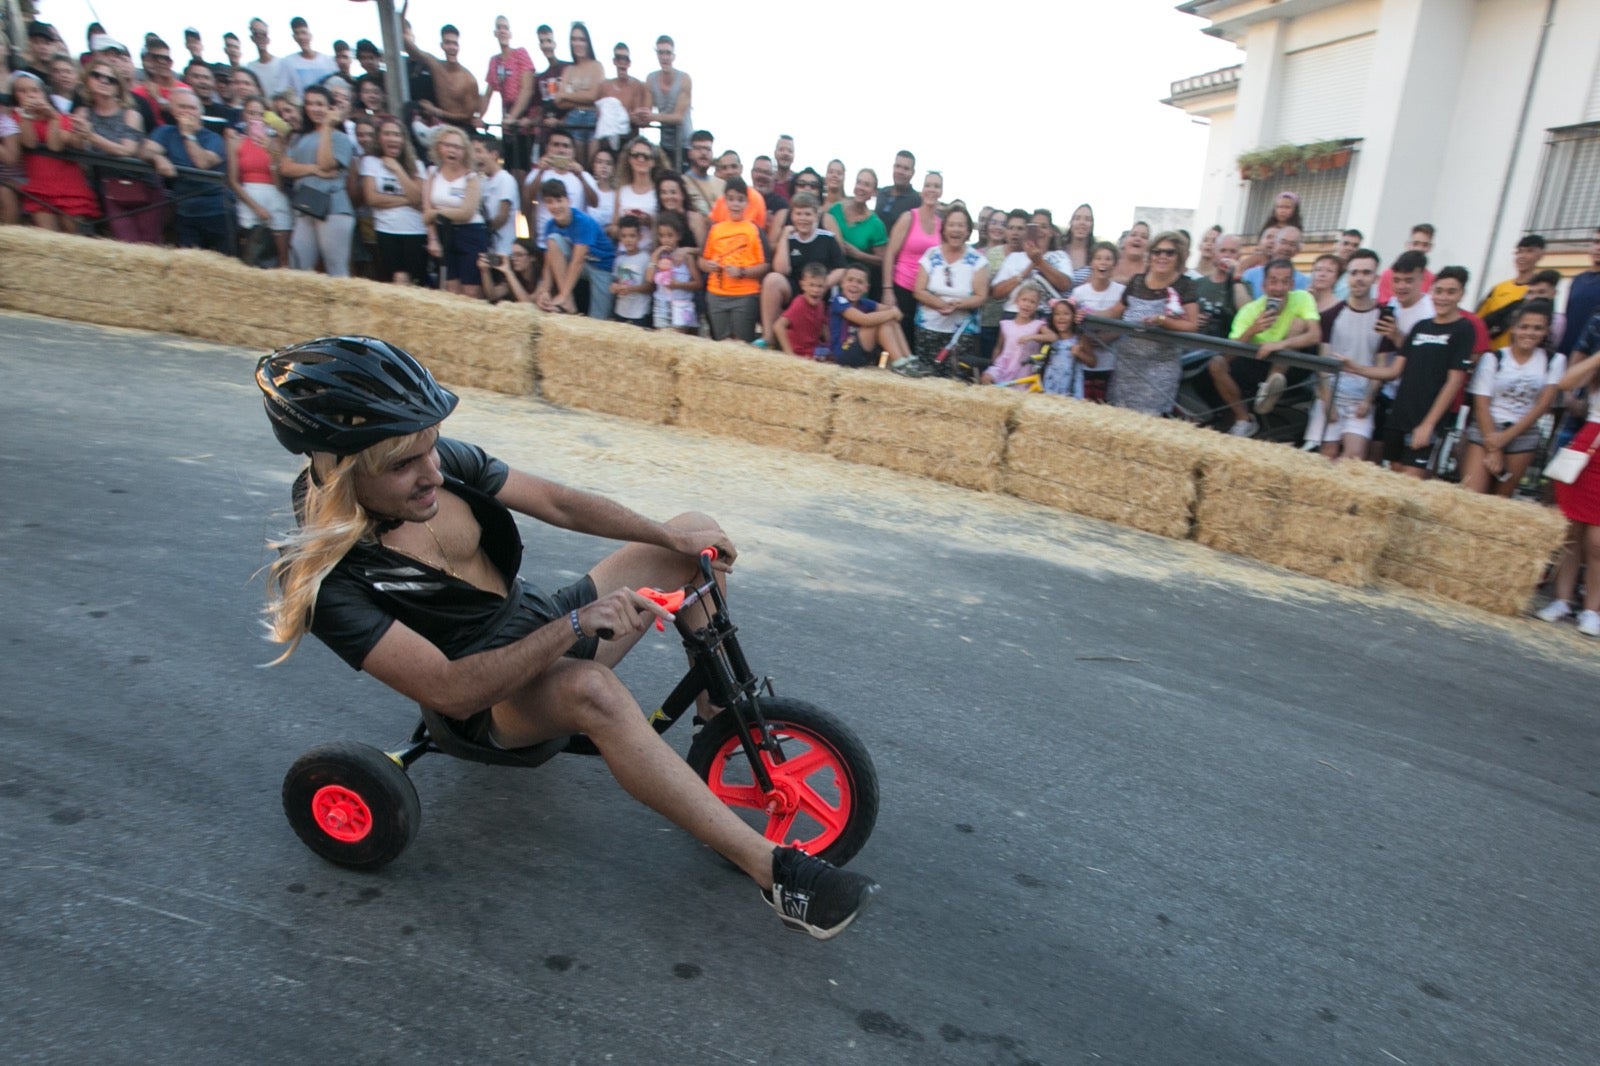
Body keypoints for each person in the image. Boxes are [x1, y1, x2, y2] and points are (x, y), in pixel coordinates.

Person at [255, 338, 880, 936]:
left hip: (541, 621)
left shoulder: (429, 465)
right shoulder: (325, 583)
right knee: (593, 690)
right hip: (488, 704)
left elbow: (558, 502)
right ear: (339, 470)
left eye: (432, 449)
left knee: (695, 531)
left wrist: (669, 538)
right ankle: (776, 875)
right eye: (404, 465)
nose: (434, 474)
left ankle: (714, 720)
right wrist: (578, 625)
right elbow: (451, 693)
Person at [1340, 267, 1477, 479]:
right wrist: (1357, 368)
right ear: (1431, 291)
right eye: (1439, 291)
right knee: (1395, 478)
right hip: (1400, 414)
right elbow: (1394, 371)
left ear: (1461, 294)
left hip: (1426, 419)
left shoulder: (1463, 329)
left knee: (1411, 482)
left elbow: (1454, 381)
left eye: (1451, 292)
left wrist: (1428, 425)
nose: (1443, 297)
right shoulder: (1420, 327)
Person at [1459, 299, 1564, 495]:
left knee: (1501, 501)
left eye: (1537, 328)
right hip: (1487, 429)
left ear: (1546, 331)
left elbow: (1543, 404)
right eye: (1524, 327)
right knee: (1471, 495)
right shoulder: (1494, 358)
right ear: (1514, 329)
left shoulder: (1554, 361)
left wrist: (1506, 437)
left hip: (1523, 432)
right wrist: (1494, 447)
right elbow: (1481, 404)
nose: (1530, 333)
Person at [1538, 313, 1600, 636]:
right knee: (1571, 529)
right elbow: (1566, 382)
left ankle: (1593, 609)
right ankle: (1561, 601)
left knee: (1597, 540)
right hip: (1590, 442)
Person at [1213, 258, 1321, 437]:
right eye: (1273, 281)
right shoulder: (1250, 310)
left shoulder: (1303, 298)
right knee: (1216, 363)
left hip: (1292, 363)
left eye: (1285, 281)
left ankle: (1271, 385)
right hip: (1256, 361)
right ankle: (1243, 419)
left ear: (1292, 284)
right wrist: (1253, 329)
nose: (1278, 288)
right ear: (1263, 285)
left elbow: (1315, 335)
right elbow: (1228, 355)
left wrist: (1279, 345)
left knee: (1299, 322)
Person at [1105, 231, 1199, 416]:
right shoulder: (1137, 281)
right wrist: (1084, 312)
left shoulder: (1185, 285)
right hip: (1127, 363)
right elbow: (1114, 312)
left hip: (1161, 365)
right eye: (1157, 251)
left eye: (1169, 252)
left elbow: (1192, 325)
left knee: (1149, 421)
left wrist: (1164, 321)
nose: (1162, 256)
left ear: (1178, 256)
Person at [74, 58, 165, 245]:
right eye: (97, 75)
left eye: (111, 79)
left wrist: (91, 136)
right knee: (125, 244)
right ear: (87, 80)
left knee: (149, 245)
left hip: (144, 185)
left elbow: (127, 150)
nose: (104, 81)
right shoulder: (83, 113)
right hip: (110, 187)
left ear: (118, 87)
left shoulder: (131, 114)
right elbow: (74, 145)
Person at [1306, 249, 1383, 461]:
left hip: (1361, 400)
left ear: (1375, 277)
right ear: (1347, 276)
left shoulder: (1384, 317)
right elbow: (1322, 363)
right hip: (1330, 396)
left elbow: (1382, 363)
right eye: (1354, 272)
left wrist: (1368, 400)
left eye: (1366, 273)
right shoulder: (1331, 315)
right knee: (1326, 455)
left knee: (1354, 458)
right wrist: (1328, 402)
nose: (1359, 278)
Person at [900, 205, 989, 378]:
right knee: (926, 379)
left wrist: (957, 304)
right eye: (952, 225)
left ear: (968, 230)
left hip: (962, 333)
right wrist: (939, 303)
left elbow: (981, 296)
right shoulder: (931, 255)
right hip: (928, 328)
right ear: (944, 228)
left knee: (957, 382)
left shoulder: (978, 260)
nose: (956, 229)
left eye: (961, 225)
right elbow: (918, 290)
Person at [281, 84, 356, 277]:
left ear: (330, 108)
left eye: (320, 104)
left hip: (333, 205)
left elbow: (326, 164)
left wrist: (327, 128)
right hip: (306, 204)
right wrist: (313, 169)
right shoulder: (298, 137)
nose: (314, 108)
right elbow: (286, 168)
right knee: (297, 265)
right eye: (309, 104)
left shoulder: (340, 138)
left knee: (336, 267)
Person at [12, 73, 98, 231]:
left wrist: (53, 118)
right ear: (15, 95)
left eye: (35, 90)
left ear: (43, 93)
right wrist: (26, 116)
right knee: (47, 239)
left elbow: (55, 146)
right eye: (22, 91)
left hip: (69, 184)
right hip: (39, 185)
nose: (30, 94)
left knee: (72, 237)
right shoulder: (14, 118)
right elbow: (29, 143)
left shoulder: (62, 117)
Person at [151, 87, 231, 253]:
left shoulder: (212, 138)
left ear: (200, 112)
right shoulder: (166, 132)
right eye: (182, 107)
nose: (187, 112)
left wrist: (188, 135)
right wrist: (157, 158)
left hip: (216, 211)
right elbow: (145, 149)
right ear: (173, 110)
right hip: (184, 212)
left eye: (192, 108)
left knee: (224, 262)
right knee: (189, 265)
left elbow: (202, 163)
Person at [758, 191, 844, 345]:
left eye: (807, 214)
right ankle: (768, 337)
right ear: (792, 216)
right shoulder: (789, 239)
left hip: (820, 290)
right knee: (772, 279)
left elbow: (841, 268)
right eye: (798, 214)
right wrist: (784, 237)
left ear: (815, 216)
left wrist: (822, 285)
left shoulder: (827, 238)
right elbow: (781, 270)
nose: (803, 218)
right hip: (795, 288)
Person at [535, 178, 615, 319]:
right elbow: (548, 263)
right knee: (553, 240)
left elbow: (577, 262)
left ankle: (565, 296)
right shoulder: (550, 225)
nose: (555, 206)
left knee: (599, 320)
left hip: (602, 265)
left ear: (568, 200)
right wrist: (545, 290)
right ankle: (568, 302)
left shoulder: (582, 221)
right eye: (549, 202)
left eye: (559, 200)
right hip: (582, 264)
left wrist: (562, 294)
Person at [361, 115, 427, 285]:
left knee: (416, 282)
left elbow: (419, 198)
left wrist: (398, 169)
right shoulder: (370, 162)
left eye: (397, 135)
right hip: (386, 230)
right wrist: (407, 200)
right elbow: (372, 198)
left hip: (415, 231)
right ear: (379, 138)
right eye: (387, 134)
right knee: (395, 280)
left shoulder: (417, 165)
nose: (393, 138)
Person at [699, 177, 767, 341]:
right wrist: (708, 265)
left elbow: (765, 265)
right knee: (722, 343)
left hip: (745, 295)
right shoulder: (715, 229)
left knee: (742, 343)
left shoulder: (754, 230)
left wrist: (742, 272)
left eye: (740, 200)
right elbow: (702, 260)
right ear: (724, 201)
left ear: (747, 203)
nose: (735, 204)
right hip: (716, 294)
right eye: (731, 199)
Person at [423, 126, 486, 299]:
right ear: (439, 147)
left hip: (470, 232)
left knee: (471, 290)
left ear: (464, 151)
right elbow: (426, 209)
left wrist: (437, 213)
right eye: (448, 145)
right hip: (444, 234)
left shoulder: (471, 177)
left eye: (457, 147)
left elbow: (466, 212)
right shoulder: (432, 173)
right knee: (451, 287)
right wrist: (432, 239)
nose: (452, 150)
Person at [882, 172, 945, 330]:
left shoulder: (941, 225)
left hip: (926, 294)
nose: (931, 189)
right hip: (902, 287)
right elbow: (890, 254)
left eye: (936, 186)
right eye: (928, 185)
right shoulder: (909, 217)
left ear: (941, 192)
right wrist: (887, 289)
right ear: (922, 190)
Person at [521, 130, 600, 252]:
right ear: (548, 148)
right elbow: (526, 200)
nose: (561, 150)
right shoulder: (537, 173)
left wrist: (580, 175)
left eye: (566, 146)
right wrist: (540, 171)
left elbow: (595, 203)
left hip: (575, 243)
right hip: (544, 241)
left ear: (573, 152)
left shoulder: (583, 175)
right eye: (556, 145)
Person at [822, 263, 911, 368]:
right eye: (850, 280)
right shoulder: (839, 301)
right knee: (879, 322)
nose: (854, 285)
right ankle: (899, 363)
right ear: (842, 283)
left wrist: (894, 311)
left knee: (889, 320)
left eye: (859, 282)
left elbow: (890, 310)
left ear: (866, 288)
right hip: (843, 353)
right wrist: (893, 312)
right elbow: (865, 320)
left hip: (861, 353)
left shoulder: (864, 302)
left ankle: (908, 358)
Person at [1070, 241, 1126, 403]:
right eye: (1098, 258)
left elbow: (1124, 323)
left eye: (1108, 259)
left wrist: (1104, 339)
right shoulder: (1079, 292)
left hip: (1110, 360)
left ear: (1115, 264)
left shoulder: (1121, 291)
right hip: (1084, 359)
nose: (1103, 262)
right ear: (1091, 263)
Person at [482, 17, 536, 178]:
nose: (502, 31)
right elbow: (488, 94)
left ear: (510, 32)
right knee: (510, 167)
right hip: (507, 114)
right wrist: (479, 116)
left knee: (524, 169)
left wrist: (513, 117)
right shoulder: (494, 61)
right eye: (499, 27)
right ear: (495, 32)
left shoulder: (520, 54)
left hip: (524, 114)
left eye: (505, 27)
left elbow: (527, 89)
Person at [823, 169, 889, 295]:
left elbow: (882, 260)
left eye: (867, 185)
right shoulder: (835, 209)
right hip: (830, 280)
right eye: (859, 182)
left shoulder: (876, 224)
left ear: (874, 192)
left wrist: (859, 255)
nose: (861, 188)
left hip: (855, 287)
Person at [1476, 234, 1547, 350]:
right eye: (1519, 252)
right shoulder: (1499, 288)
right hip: (1490, 354)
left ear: (1541, 255)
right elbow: (1478, 322)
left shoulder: (1539, 291)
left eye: (1529, 251)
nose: (1522, 256)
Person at [553, 23, 604, 159]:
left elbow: (593, 96)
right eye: (574, 39)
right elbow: (559, 102)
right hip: (573, 118)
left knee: (593, 163)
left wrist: (566, 94)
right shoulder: (569, 70)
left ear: (587, 42)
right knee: (576, 163)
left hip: (593, 118)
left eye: (581, 39)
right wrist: (581, 99)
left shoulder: (596, 66)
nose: (577, 43)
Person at [983, 282, 1049, 387]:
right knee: (987, 378)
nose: (1027, 304)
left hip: (1023, 369)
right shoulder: (1006, 324)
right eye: (1024, 300)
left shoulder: (1038, 325)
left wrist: (1031, 337)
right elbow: (999, 347)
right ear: (1016, 301)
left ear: (1037, 306)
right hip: (1003, 365)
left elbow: (1052, 337)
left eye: (1032, 302)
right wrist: (993, 363)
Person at [641, 37, 691, 166]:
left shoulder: (684, 79)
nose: (664, 57)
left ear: (673, 56)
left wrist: (653, 116)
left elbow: (678, 118)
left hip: (685, 142)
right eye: (661, 53)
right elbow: (647, 114)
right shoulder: (651, 79)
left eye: (667, 53)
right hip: (665, 143)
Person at [651, 210, 701, 333]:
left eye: (670, 235)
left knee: (678, 339)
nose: (666, 240)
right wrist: (654, 257)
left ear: (678, 236)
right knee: (660, 338)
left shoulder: (686, 257)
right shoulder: (657, 256)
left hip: (682, 304)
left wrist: (678, 284)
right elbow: (648, 278)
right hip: (661, 304)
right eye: (662, 236)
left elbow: (698, 283)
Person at [608, 136, 659, 249]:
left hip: (649, 253)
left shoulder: (659, 191)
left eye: (646, 156)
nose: (641, 160)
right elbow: (613, 229)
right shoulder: (621, 191)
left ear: (653, 162)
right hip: (624, 253)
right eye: (636, 156)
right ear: (629, 160)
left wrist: (649, 221)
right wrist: (625, 224)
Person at [1037, 298, 1093, 398]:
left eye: (1066, 314)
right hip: (1050, 383)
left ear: (1074, 316)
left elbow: (1093, 362)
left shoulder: (1080, 338)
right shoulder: (1050, 338)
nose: (1061, 317)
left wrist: (1080, 353)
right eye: (1057, 314)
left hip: (1071, 386)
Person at [474, 135, 519, 257]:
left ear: (493, 154)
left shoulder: (505, 179)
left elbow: (502, 216)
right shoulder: (482, 181)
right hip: (489, 248)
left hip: (504, 249)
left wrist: (480, 230)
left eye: (478, 151)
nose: (474, 156)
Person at [772, 262, 831, 358]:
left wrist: (831, 344)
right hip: (800, 353)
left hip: (814, 350)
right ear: (802, 285)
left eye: (820, 286)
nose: (816, 290)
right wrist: (789, 354)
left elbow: (823, 327)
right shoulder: (799, 304)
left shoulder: (821, 304)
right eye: (812, 285)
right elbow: (778, 326)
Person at [1558, 227, 1600, 358]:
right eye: (1596, 242)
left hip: (1592, 356)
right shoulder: (1578, 280)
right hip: (1566, 350)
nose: (1598, 247)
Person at [609, 215, 654, 327]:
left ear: (640, 237)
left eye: (632, 236)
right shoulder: (619, 259)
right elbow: (618, 280)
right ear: (620, 238)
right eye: (624, 236)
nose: (628, 240)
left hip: (639, 313)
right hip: (621, 311)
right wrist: (614, 287)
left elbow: (650, 287)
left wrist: (630, 289)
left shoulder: (646, 258)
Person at [1378, 224, 1436, 303]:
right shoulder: (1389, 274)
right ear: (1408, 245)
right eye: (1416, 243)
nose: (1419, 249)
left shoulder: (1432, 279)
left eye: (1425, 245)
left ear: (1430, 247)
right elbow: (1383, 303)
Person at [480, 238, 541, 304]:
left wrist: (509, 272)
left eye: (519, 255)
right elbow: (492, 296)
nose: (514, 259)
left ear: (532, 257)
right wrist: (485, 272)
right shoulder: (513, 276)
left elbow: (528, 304)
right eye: (513, 255)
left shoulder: (542, 279)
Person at [654, 171, 706, 248]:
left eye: (673, 192)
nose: (668, 197)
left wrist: (688, 250)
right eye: (664, 192)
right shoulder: (658, 218)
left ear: (682, 194)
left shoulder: (694, 218)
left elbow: (704, 250)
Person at [875, 150, 919, 233]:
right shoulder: (882, 193)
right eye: (897, 166)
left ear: (912, 173)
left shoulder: (917, 201)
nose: (900, 172)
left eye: (906, 168)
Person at [1061, 204, 1097, 282]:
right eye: (1077, 218)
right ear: (1071, 223)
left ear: (1092, 226)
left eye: (1087, 219)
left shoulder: (1096, 255)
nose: (1082, 223)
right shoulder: (1059, 249)